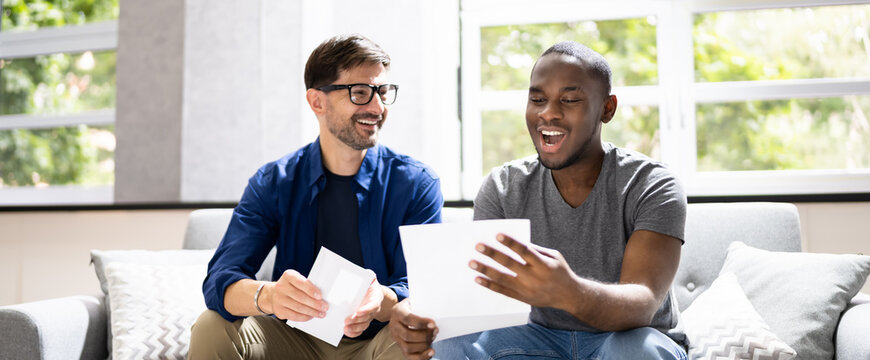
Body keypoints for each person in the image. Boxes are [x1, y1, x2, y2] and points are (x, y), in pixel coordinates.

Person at [390, 41, 688, 360]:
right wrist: (413, 312)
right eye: (537, 99)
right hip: (533, 340)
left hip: (624, 339)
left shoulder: (651, 184)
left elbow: (643, 304)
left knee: (638, 352)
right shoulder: (502, 187)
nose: (548, 113)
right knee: (446, 345)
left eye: (569, 99)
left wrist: (570, 292)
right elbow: (472, 295)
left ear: (607, 108)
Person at [189, 34, 443, 360]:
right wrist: (267, 295)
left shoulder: (417, 184)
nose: (378, 107)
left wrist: (381, 300)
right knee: (213, 326)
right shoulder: (273, 182)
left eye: (382, 92)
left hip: (379, 342)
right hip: (294, 341)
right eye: (361, 93)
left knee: (415, 341)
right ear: (317, 102)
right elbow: (220, 281)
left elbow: (423, 289)